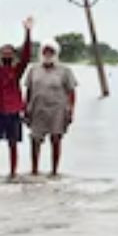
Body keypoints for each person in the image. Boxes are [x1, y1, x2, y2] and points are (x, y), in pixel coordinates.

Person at [0, 17, 33, 179]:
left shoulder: (17, 70)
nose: (6, 53)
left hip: (13, 111)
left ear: (13, 55)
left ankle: (13, 173)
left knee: (13, 144)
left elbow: (26, 56)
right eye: (3, 51)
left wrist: (28, 32)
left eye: (9, 51)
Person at [24, 41, 77, 177]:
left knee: (56, 139)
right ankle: (34, 170)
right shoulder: (33, 69)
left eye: (50, 52)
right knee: (35, 140)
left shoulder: (65, 70)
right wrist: (25, 108)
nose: (47, 54)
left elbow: (71, 92)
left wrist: (71, 110)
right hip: (37, 108)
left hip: (58, 109)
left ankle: (54, 171)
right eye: (45, 52)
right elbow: (28, 90)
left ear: (56, 54)